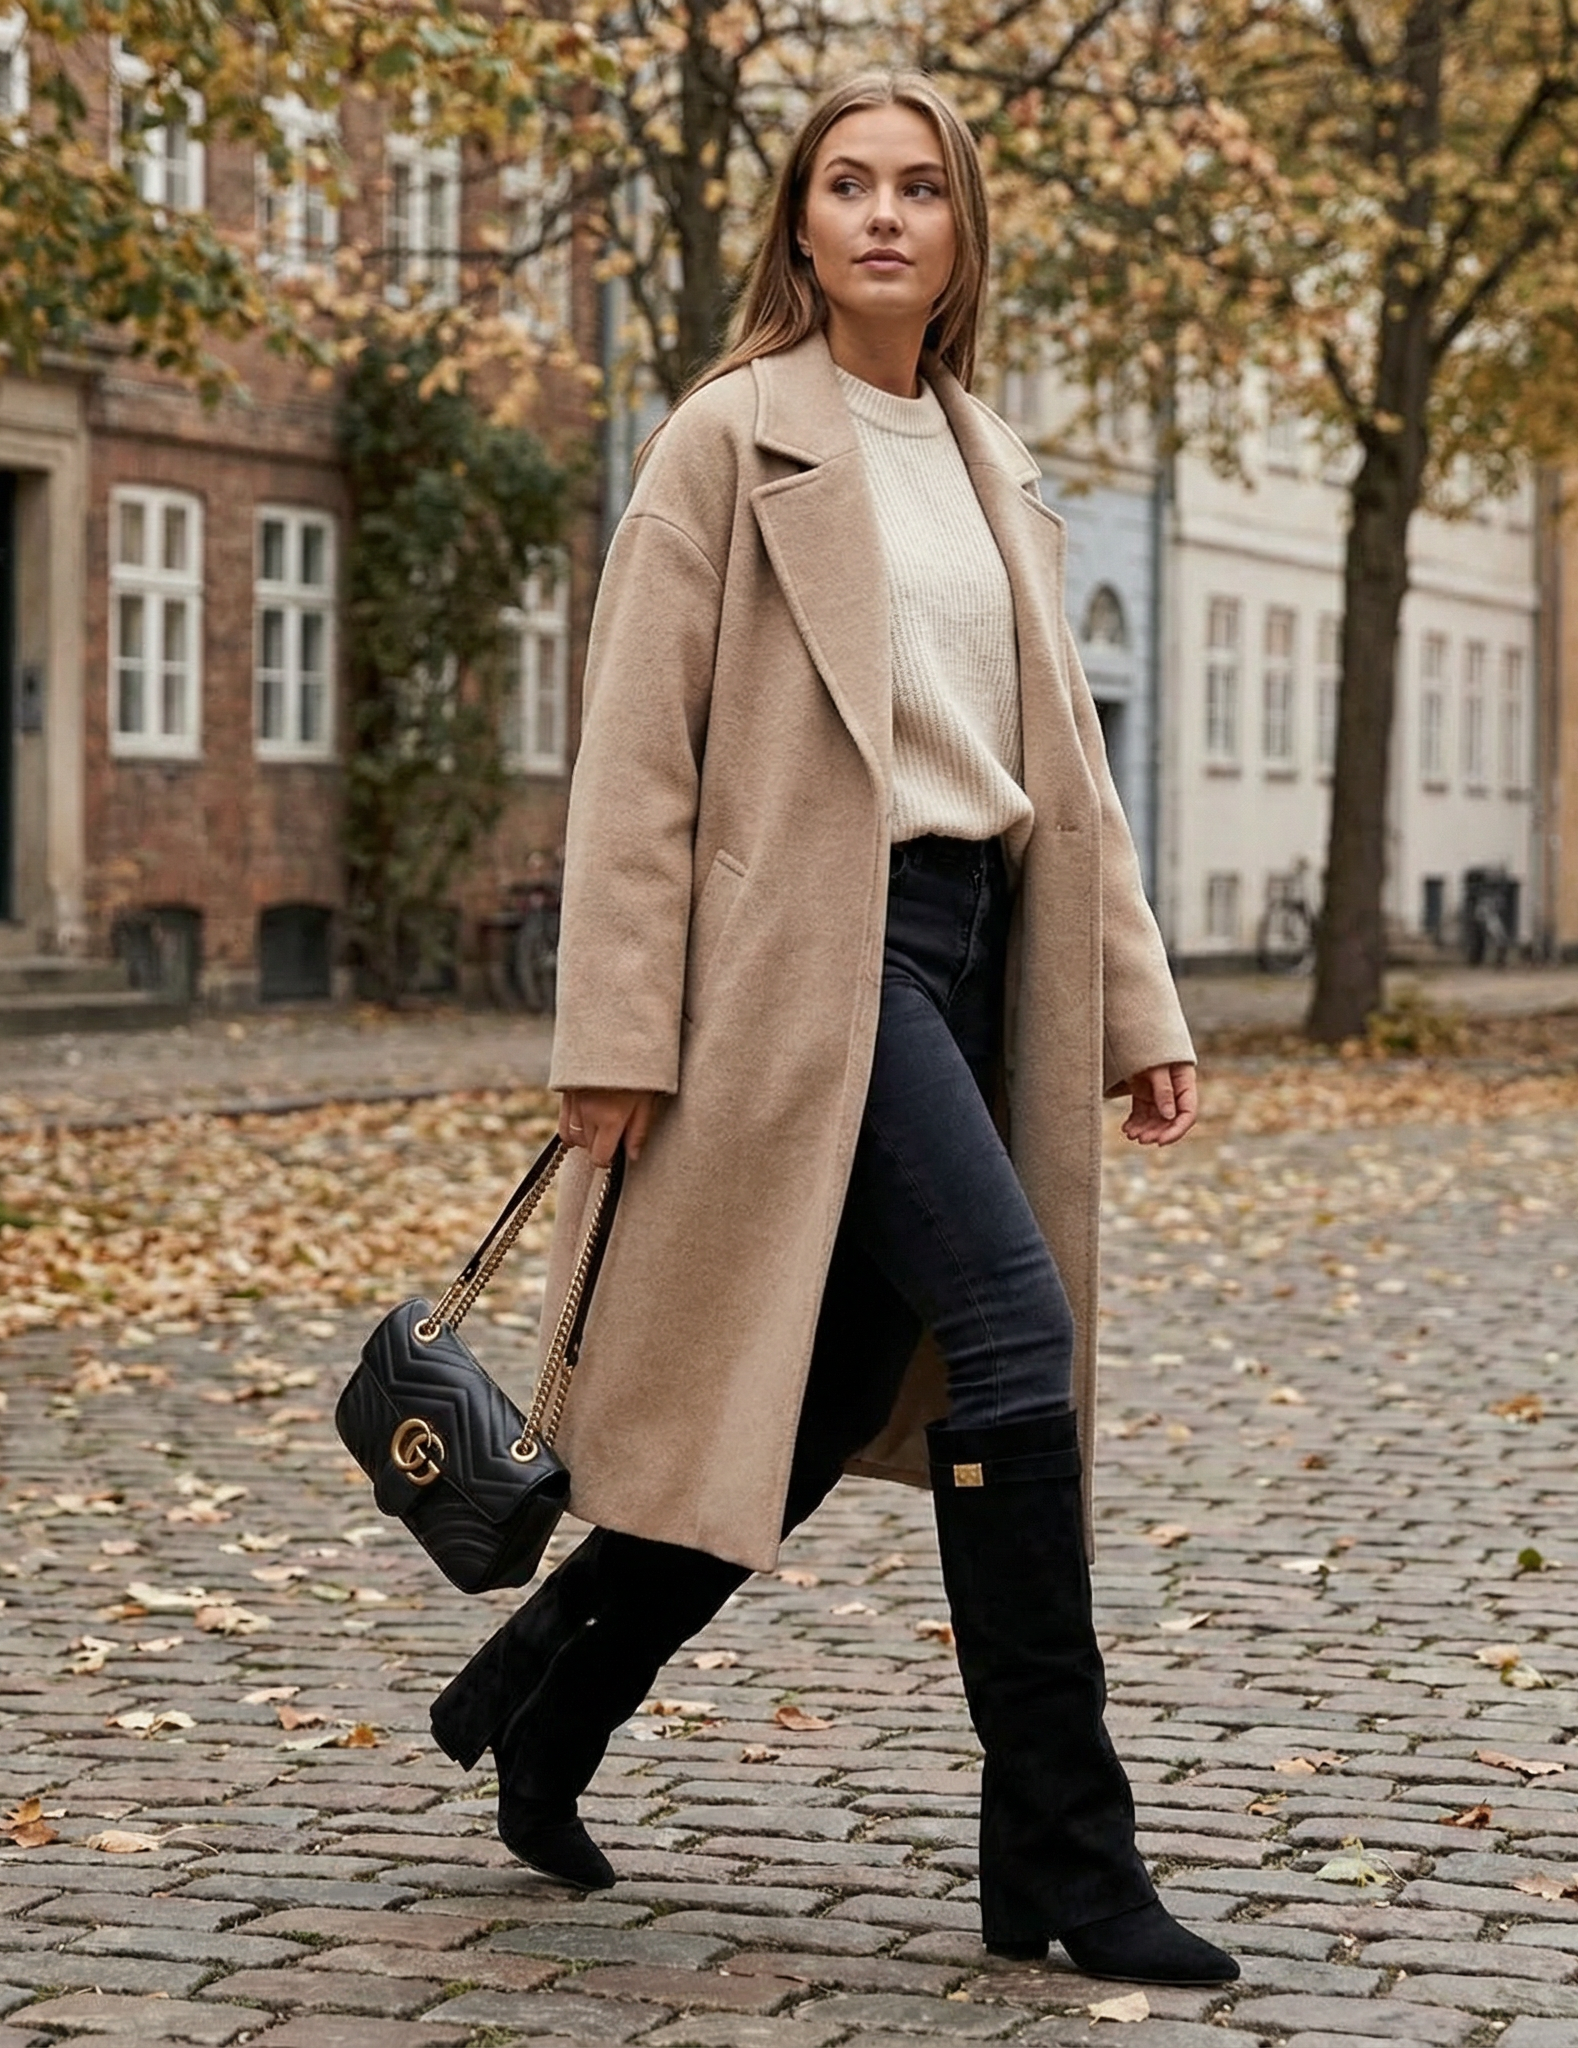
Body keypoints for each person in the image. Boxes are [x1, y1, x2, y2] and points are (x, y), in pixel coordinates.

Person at [428, 69, 1237, 1989]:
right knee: (1016, 1335)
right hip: (810, 966)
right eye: (847, 185)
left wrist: (1132, 997)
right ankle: (1063, 1852)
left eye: (921, 189)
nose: (884, 215)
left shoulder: (987, 459)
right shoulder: (725, 441)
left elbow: (1072, 774)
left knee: (795, 1412)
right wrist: (612, 1033)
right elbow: (635, 758)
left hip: (980, 957)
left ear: (962, 233)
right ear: (798, 224)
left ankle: (541, 1702)